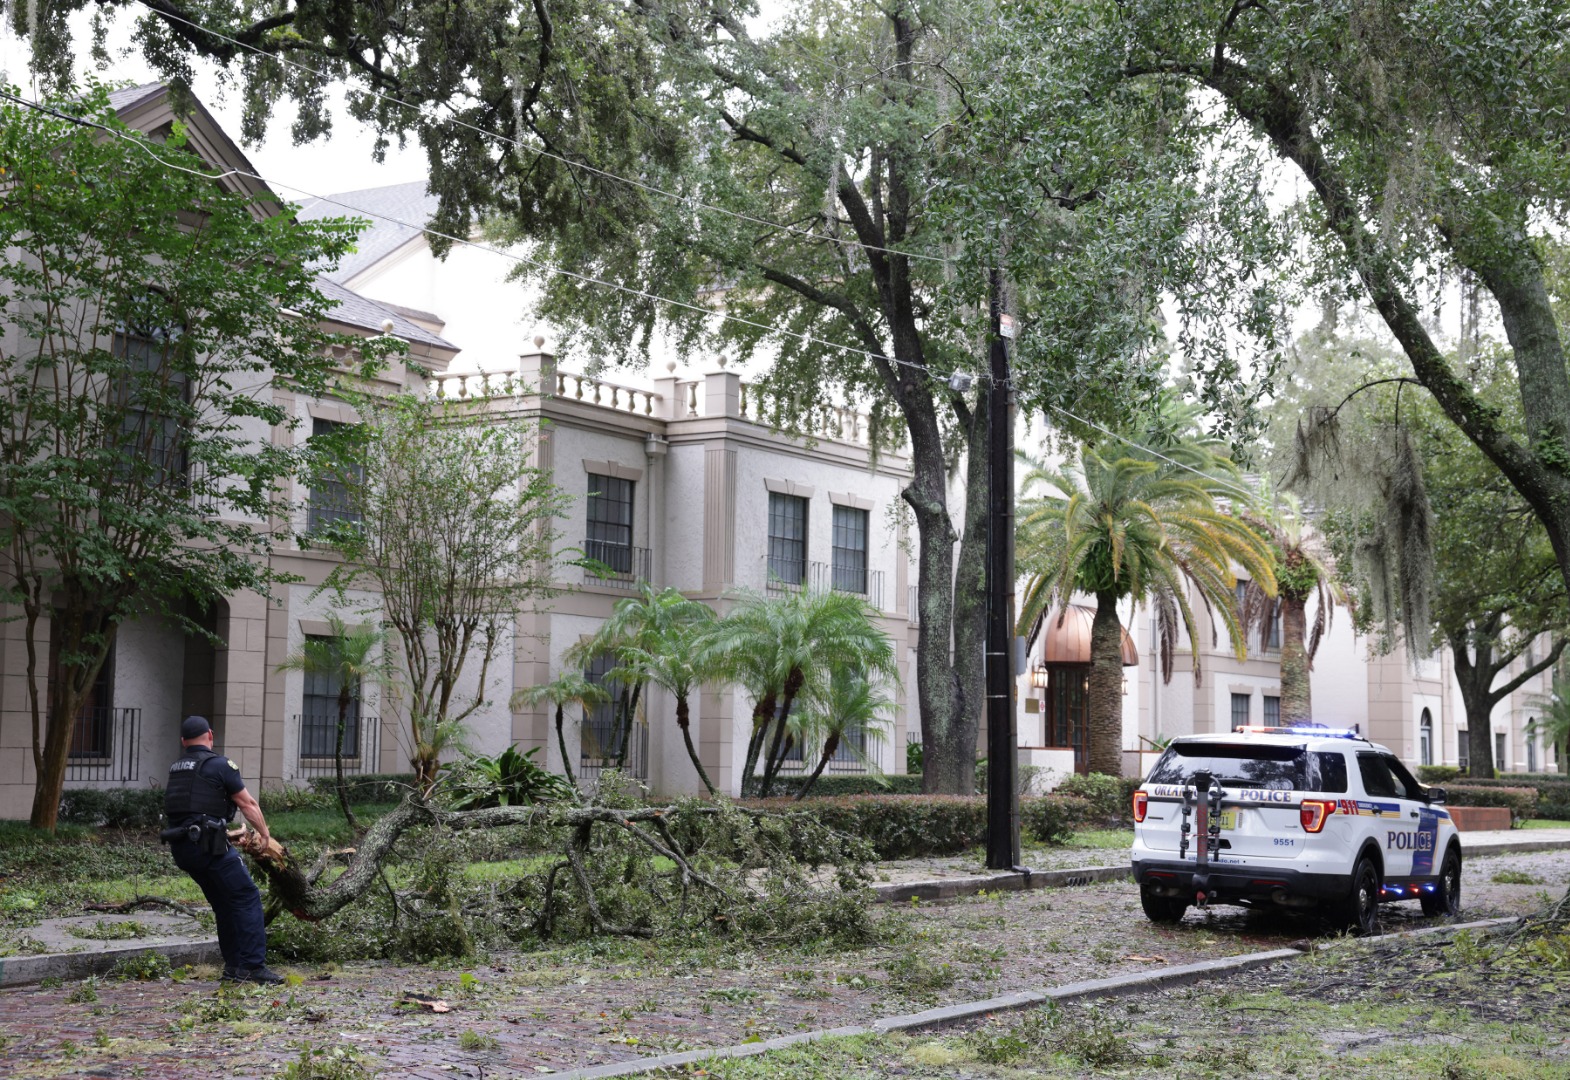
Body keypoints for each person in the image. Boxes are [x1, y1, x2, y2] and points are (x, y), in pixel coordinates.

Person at [162, 714, 285, 984]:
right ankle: (253, 967)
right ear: (211, 735)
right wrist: (264, 834)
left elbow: (192, 814)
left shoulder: (178, 768)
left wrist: (226, 834)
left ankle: (233, 968)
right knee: (247, 897)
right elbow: (247, 803)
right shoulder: (220, 764)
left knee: (224, 904)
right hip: (209, 849)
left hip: (184, 850)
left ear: (183, 741)